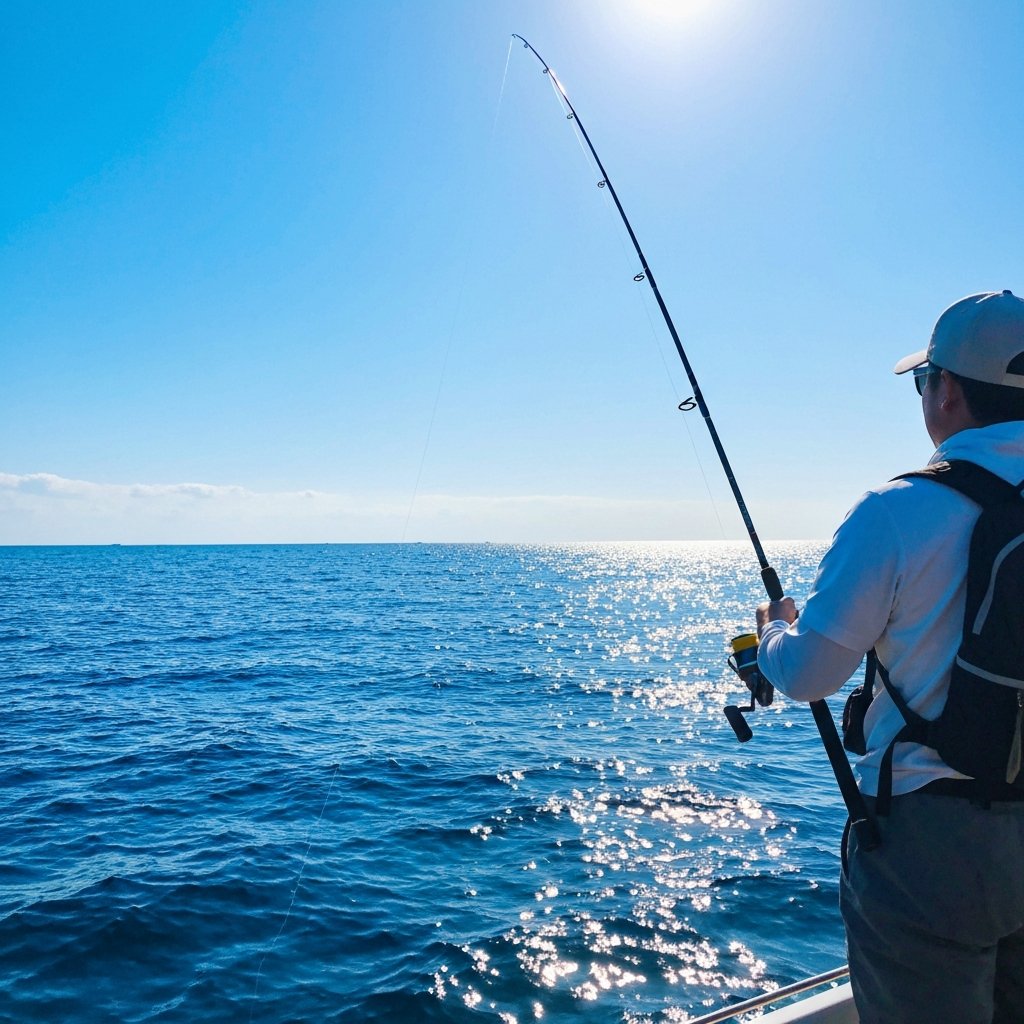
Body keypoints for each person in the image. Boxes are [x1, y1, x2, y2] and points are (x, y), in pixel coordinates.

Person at [754, 290, 1024, 1024]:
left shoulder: (894, 512)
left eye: (923, 380)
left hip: (934, 851)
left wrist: (774, 633)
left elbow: (810, 674)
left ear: (949, 391)